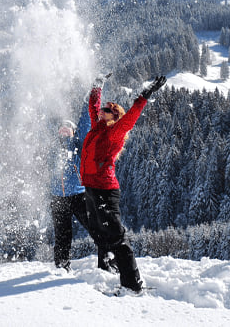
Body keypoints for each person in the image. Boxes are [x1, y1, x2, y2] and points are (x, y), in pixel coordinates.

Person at [80, 74, 166, 293]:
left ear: (114, 116)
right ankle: (112, 265)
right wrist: (97, 85)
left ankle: (133, 284)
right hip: (90, 187)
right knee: (99, 232)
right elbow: (93, 105)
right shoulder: (97, 126)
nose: (101, 112)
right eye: (102, 110)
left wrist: (145, 94)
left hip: (105, 190)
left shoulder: (115, 132)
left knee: (116, 236)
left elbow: (132, 117)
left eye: (107, 110)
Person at [49, 103, 100, 271]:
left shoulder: (78, 145)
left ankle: (108, 257)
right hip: (58, 198)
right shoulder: (52, 147)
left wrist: (91, 98)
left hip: (79, 195)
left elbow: (86, 122)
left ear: (73, 132)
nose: (64, 129)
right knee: (62, 235)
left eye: (68, 127)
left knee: (95, 226)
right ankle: (62, 267)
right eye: (61, 128)